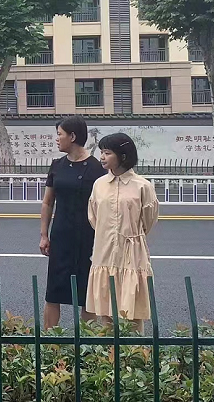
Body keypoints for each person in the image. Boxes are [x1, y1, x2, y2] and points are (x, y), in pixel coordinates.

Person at [86, 133, 159, 332]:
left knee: (132, 310)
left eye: (107, 153)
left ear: (123, 156)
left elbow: (148, 221)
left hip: (132, 252)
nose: (102, 157)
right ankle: (109, 349)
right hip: (104, 250)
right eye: (102, 152)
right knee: (106, 309)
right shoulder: (99, 185)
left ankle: (134, 348)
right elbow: (94, 217)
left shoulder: (143, 186)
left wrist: (129, 234)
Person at [39, 116, 106, 328]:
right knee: (54, 291)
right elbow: (48, 202)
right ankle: (49, 340)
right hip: (61, 235)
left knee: (87, 292)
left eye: (60, 134)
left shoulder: (97, 168)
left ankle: (87, 340)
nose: (57, 139)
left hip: (89, 237)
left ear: (73, 136)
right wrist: (44, 235)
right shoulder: (57, 166)